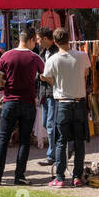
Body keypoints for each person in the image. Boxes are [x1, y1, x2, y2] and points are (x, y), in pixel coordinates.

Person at [0, 26, 45, 186]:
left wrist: (8, 83)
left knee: (3, 138)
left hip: (10, 102)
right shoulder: (35, 58)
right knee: (25, 140)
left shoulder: (6, 56)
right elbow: (45, 76)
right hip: (28, 102)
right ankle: (19, 175)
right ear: (32, 40)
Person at [40, 28, 91, 187]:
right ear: (69, 39)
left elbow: (48, 78)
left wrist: (56, 82)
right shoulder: (82, 56)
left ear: (55, 42)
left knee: (61, 141)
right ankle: (77, 176)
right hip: (79, 102)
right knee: (79, 141)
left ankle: (60, 177)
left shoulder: (53, 59)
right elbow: (87, 73)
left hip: (62, 103)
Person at [36, 27, 60, 168]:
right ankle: (59, 151)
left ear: (45, 39)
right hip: (44, 92)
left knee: (50, 125)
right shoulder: (43, 52)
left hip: (53, 92)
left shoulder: (56, 53)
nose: (37, 41)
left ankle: (52, 155)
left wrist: (46, 78)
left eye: (39, 39)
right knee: (46, 124)